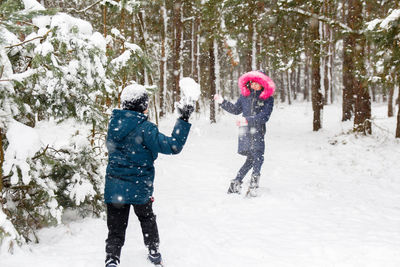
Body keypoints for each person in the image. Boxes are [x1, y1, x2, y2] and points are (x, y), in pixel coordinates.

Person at [104, 84, 194, 267]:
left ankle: (112, 258)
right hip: (138, 186)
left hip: (115, 187)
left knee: (116, 228)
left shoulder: (114, 124)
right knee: (147, 219)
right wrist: (183, 119)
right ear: (142, 106)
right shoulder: (146, 129)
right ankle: (154, 252)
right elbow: (173, 146)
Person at [214, 70, 275, 195]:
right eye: (253, 83)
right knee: (256, 157)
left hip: (258, 131)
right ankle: (253, 184)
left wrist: (248, 120)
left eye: (258, 83)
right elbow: (236, 109)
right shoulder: (244, 96)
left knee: (254, 158)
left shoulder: (267, 99)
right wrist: (222, 102)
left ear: (263, 84)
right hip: (245, 132)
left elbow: (264, 116)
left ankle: (236, 182)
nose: (254, 85)